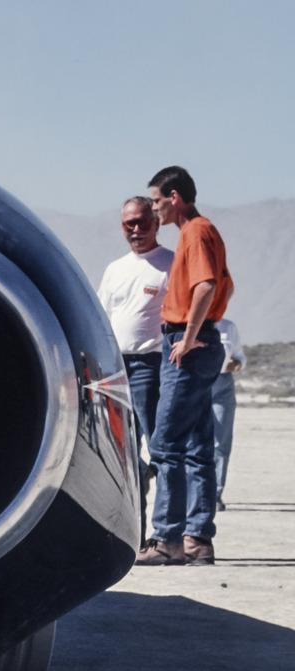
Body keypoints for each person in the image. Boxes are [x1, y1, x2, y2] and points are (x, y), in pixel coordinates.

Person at [136, 167, 233, 565]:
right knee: (196, 446)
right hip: (194, 341)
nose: (155, 209)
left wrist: (189, 337)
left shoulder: (195, 232)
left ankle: (167, 540)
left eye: (157, 201)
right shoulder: (200, 232)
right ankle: (197, 539)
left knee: (165, 445)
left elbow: (207, 285)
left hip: (188, 344)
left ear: (174, 197)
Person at [95, 196, 171, 528]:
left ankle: (164, 531)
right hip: (115, 368)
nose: (136, 230)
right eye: (130, 224)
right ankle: (133, 527)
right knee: (120, 448)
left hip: (150, 367)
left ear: (156, 222)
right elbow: (99, 317)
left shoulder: (171, 264)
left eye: (142, 222)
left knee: (159, 447)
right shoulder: (115, 269)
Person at [213, 318, 245, 511]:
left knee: (220, 441)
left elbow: (240, 357)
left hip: (222, 384)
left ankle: (214, 494)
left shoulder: (228, 327)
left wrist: (237, 363)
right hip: (195, 382)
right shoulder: (187, 323)